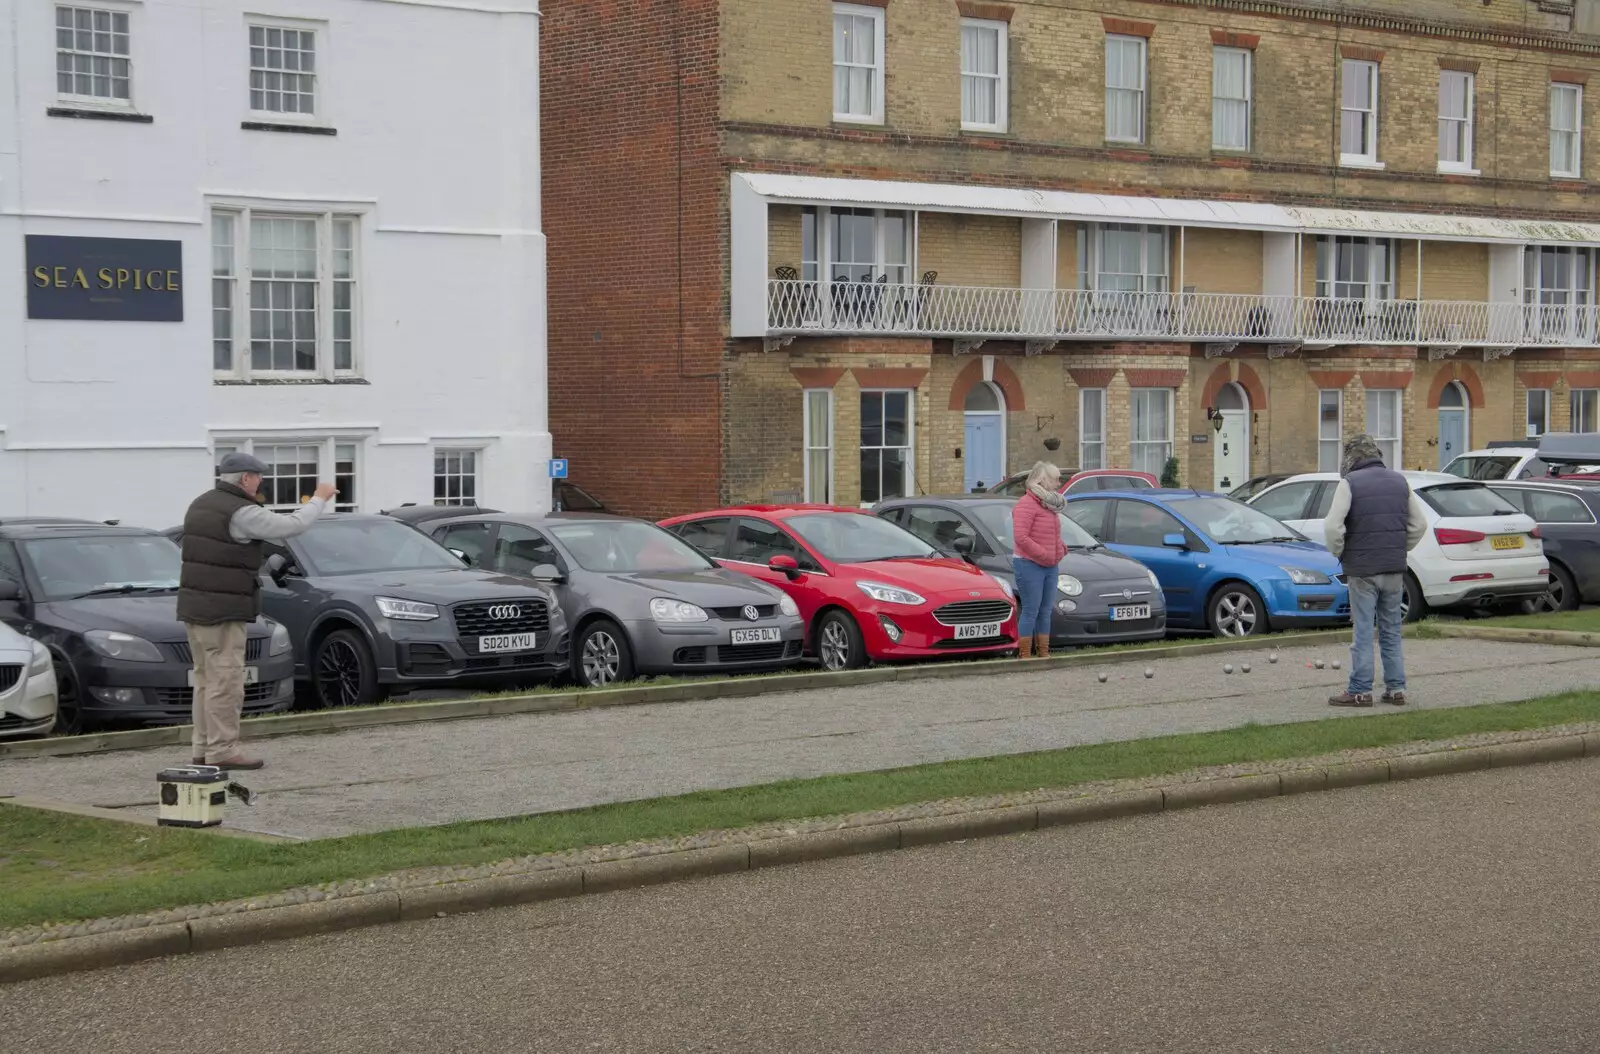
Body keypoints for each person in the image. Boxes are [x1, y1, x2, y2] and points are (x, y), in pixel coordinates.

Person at [177, 453, 335, 769]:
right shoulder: (240, 512)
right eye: (258, 476)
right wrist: (320, 498)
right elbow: (292, 525)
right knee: (226, 682)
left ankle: (202, 749)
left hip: (195, 607)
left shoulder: (201, 503)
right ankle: (222, 751)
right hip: (221, 610)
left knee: (206, 681)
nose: (260, 481)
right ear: (245, 478)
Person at [1321, 433, 1428, 708]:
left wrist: (1339, 551)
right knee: (1391, 629)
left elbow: (1333, 527)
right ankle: (1396, 689)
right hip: (1393, 568)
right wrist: (1399, 549)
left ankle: (1359, 691)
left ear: (1351, 458)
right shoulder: (1400, 482)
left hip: (1362, 570)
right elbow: (1419, 525)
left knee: (1364, 631)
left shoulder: (1349, 483)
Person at [1010, 461, 1068, 659]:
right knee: (1031, 610)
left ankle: (1044, 652)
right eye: (1055, 479)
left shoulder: (1049, 504)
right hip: (1028, 564)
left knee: (1045, 611)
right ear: (1043, 480)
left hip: (1050, 565)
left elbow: (1052, 533)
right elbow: (1021, 537)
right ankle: (1024, 654)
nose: (1058, 483)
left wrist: (1060, 548)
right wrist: (1044, 554)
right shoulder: (1026, 504)